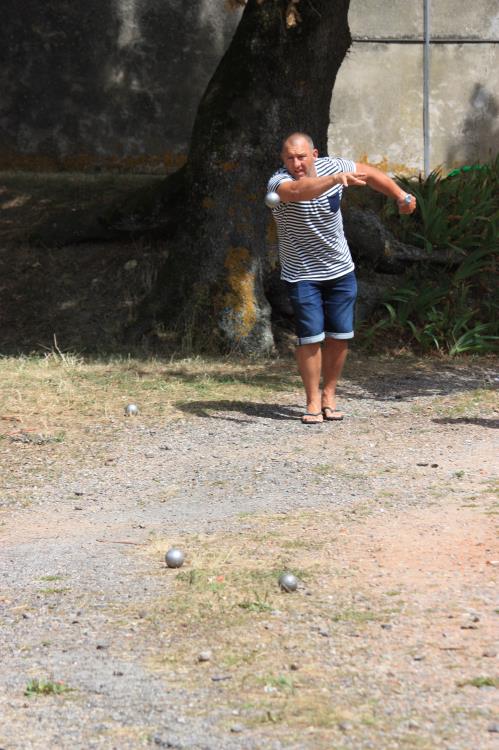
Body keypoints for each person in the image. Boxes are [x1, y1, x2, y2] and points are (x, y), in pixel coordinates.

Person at [267, 132, 416, 424]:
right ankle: (311, 401)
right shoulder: (277, 182)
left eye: (301, 156)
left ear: (315, 154)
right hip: (302, 273)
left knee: (340, 335)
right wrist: (336, 180)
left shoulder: (333, 166)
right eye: (290, 158)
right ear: (283, 160)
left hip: (339, 270)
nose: (296, 163)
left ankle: (329, 395)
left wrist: (401, 195)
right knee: (310, 337)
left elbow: (370, 174)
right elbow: (301, 192)